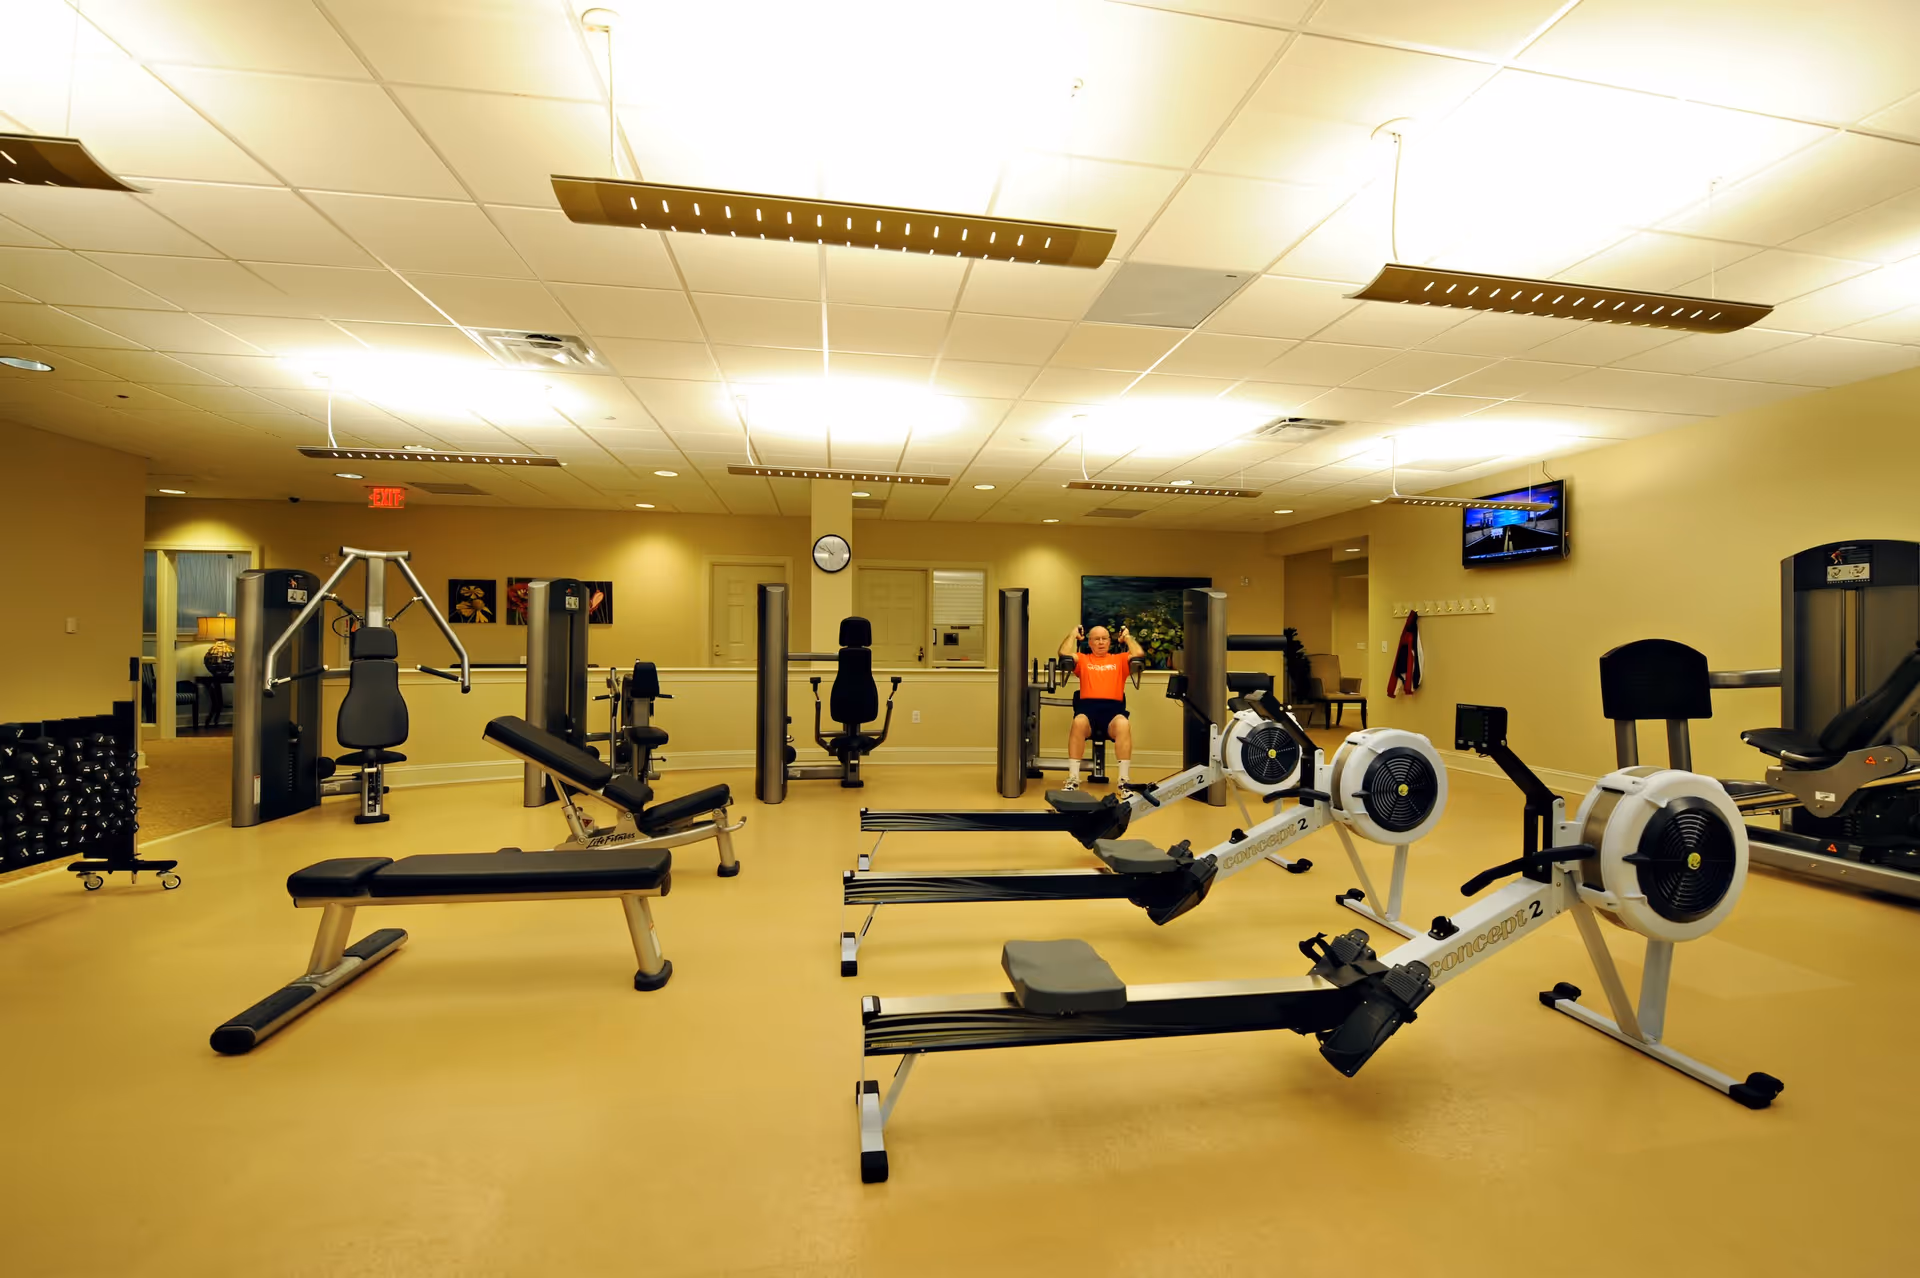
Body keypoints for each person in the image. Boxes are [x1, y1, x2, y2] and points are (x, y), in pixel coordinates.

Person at [1058, 623, 1143, 795]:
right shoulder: (1083, 659)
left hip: (1113, 711)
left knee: (1123, 724)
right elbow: (1064, 654)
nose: (1101, 642)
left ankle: (1124, 782)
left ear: (1109, 642)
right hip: (1088, 710)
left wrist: (1127, 636)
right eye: (1096, 639)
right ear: (1090, 643)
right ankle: (1073, 779)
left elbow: (1138, 654)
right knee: (1078, 722)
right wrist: (1073, 633)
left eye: (1104, 638)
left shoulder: (1119, 659)